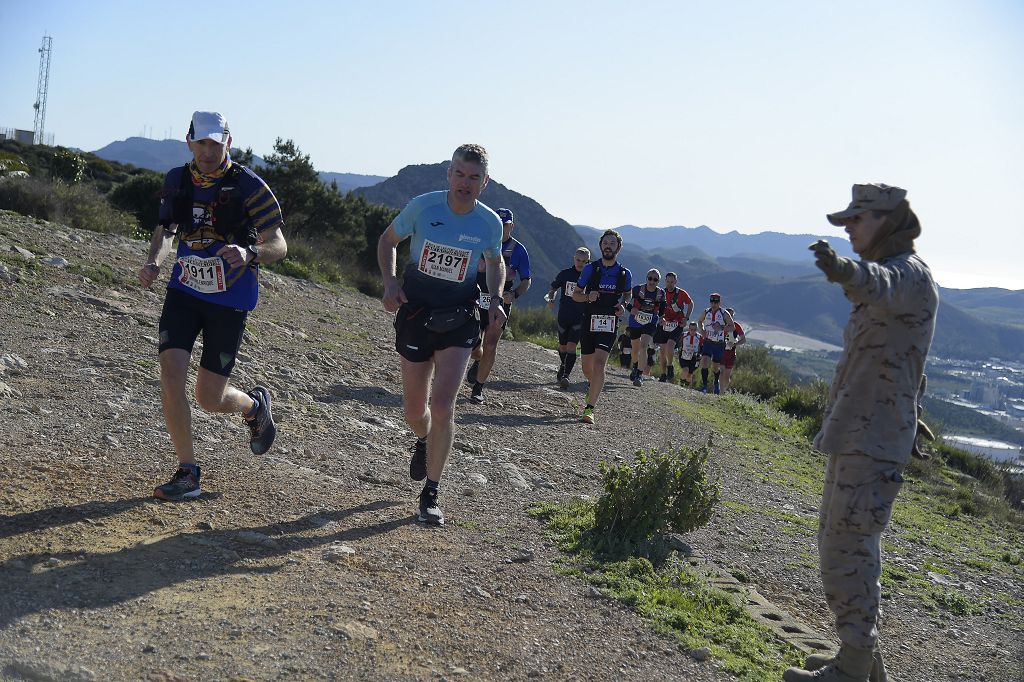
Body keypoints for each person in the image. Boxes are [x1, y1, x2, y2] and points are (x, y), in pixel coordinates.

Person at [784, 184, 938, 682]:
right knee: (841, 543)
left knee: (847, 550)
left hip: (872, 440)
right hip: (860, 432)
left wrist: (841, 270)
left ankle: (851, 669)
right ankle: (862, 663)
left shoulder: (904, 275)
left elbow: (876, 283)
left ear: (888, 221)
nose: (848, 227)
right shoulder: (901, 277)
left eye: (857, 218)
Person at [138, 111, 287, 502]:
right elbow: (167, 230)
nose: (208, 151)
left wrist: (250, 251)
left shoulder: (249, 185)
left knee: (208, 397)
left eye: (215, 143)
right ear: (189, 141)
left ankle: (254, 406)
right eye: (201, 142)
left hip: (231, 300)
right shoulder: (177, 180)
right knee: (170, 376)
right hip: (185, 291)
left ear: (228, 143)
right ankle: (188, 472)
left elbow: (280, 244)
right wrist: (155, 259)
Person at [377, 144, 505, 526]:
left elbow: (495, 262)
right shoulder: (424, 207)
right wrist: (388, 282)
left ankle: (431, 491)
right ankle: (423, 438)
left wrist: (495, 297)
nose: (466, 183)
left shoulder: (489, 223)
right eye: (460, 174)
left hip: (460, 317)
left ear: (485, 182)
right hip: (416, 311)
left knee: (445, 404)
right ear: (449, 174)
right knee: (416, 412)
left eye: (474, 177)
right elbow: (388, 241)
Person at [466, 207, 531, 403]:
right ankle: (478, 358)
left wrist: (515, 294)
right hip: (476, 296)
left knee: (491, 344)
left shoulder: (519, 250)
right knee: (472, 342)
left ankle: (478, 388)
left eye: (505, 225)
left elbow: (527, 280)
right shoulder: (479, 242)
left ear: (512, 226)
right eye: (497, 224)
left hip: (501, 300)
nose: (501, 228)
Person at [572, 230, 632, 425]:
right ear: (600, 246)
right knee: (587, 367)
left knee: (599, 365)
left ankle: (590, 409)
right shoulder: (590, 269)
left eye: (612, 243)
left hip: (609, 322)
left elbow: (627, 295)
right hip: (589, 319)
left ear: (618, 248)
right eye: (605, 242)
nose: (608, 246)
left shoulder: (624, 273)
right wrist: (587, 297)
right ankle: (593, 384)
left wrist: (623, 305)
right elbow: (576, 295)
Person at [547, 247, 590, 388]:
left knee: (572, 347)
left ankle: (566, 375)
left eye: (584, 261)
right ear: (574, 259)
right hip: (564, 315)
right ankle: (564, 365)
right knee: (563, 347)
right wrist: (551, 300)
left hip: (580, 317)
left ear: (587, 261)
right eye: (578, 260)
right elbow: (553, 289)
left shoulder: (590, 277)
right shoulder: (565, 274)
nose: (580, 263)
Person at [626, 269, 666, 387]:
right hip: (635, 321)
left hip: (650, 321)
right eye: (650, 278)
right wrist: (630, 308)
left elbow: (663, 306)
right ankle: (635, 365)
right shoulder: (638, 289)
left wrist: (661, 317)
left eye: (655, 279)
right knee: (634, 348)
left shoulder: (661, 293)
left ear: (658, 282)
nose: (652, 281)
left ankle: (639, 374)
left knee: (643, 346)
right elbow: (626, 299)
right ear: (646, 278)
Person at [655, 272, 693, 382]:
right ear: (665, 281)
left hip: (677, 324)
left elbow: (690, 303)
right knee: (662, 350)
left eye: (672, 282)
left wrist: (686, 318)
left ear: (675, 282)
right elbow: (656, 306)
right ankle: (663, 374)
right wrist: (659, 317)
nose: (670, 284)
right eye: (668, 281)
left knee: (670, 344)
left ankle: (670, 366)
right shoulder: (661, 293)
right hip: (664, 323)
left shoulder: (681, 293)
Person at [697, 293, 734, 394]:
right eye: (712, 301)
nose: (713, 304)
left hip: (719, 344)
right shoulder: (706, 311)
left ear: (719, 302)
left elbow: (732, 327)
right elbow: (699, 321)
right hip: (708, 342)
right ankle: (704, 386)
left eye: (716, 302)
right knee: (704, 362)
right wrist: (702, 330)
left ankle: (716, 382)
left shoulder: (724, 313)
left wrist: (722, 328)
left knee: (715, 366)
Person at [718, 307, 745, 392]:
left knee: (727, 376)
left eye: (732, 315)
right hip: (721, 351)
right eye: (728, 315)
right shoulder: (721, 325)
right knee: (721, 372)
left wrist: (734, 344)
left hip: (731, 353)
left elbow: (743, 339)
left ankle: (723, 390)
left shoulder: (736, 325)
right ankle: (721, 393)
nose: (730, 317)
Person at [677, 321, 702, 388]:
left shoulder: (699, 337)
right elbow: (678, 343)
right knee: (685, 370)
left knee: (689, 374)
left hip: (694, 358)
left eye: (694, 330)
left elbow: (702, 347)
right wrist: (677, 350)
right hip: (683, 355)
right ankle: (681, 385)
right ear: (689, 329)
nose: (693, 331)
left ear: (697, 329)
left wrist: (700, 355)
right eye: (691, 329)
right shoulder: (684, 335)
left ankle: (686, 388)